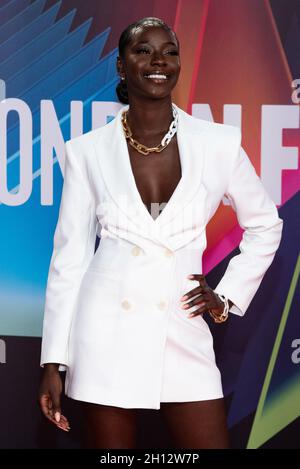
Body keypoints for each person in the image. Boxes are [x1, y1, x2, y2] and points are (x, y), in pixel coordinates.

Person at [38, 17, 283, 449]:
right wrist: (54, 360)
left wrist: (226, 297)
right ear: (120, 65)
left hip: (181, 324)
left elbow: (265, 224)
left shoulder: (218, 143)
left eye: (169, 52)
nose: (158, 61)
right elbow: (69, 260)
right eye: (143, 50)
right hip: (104, 330)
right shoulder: (86, 152)